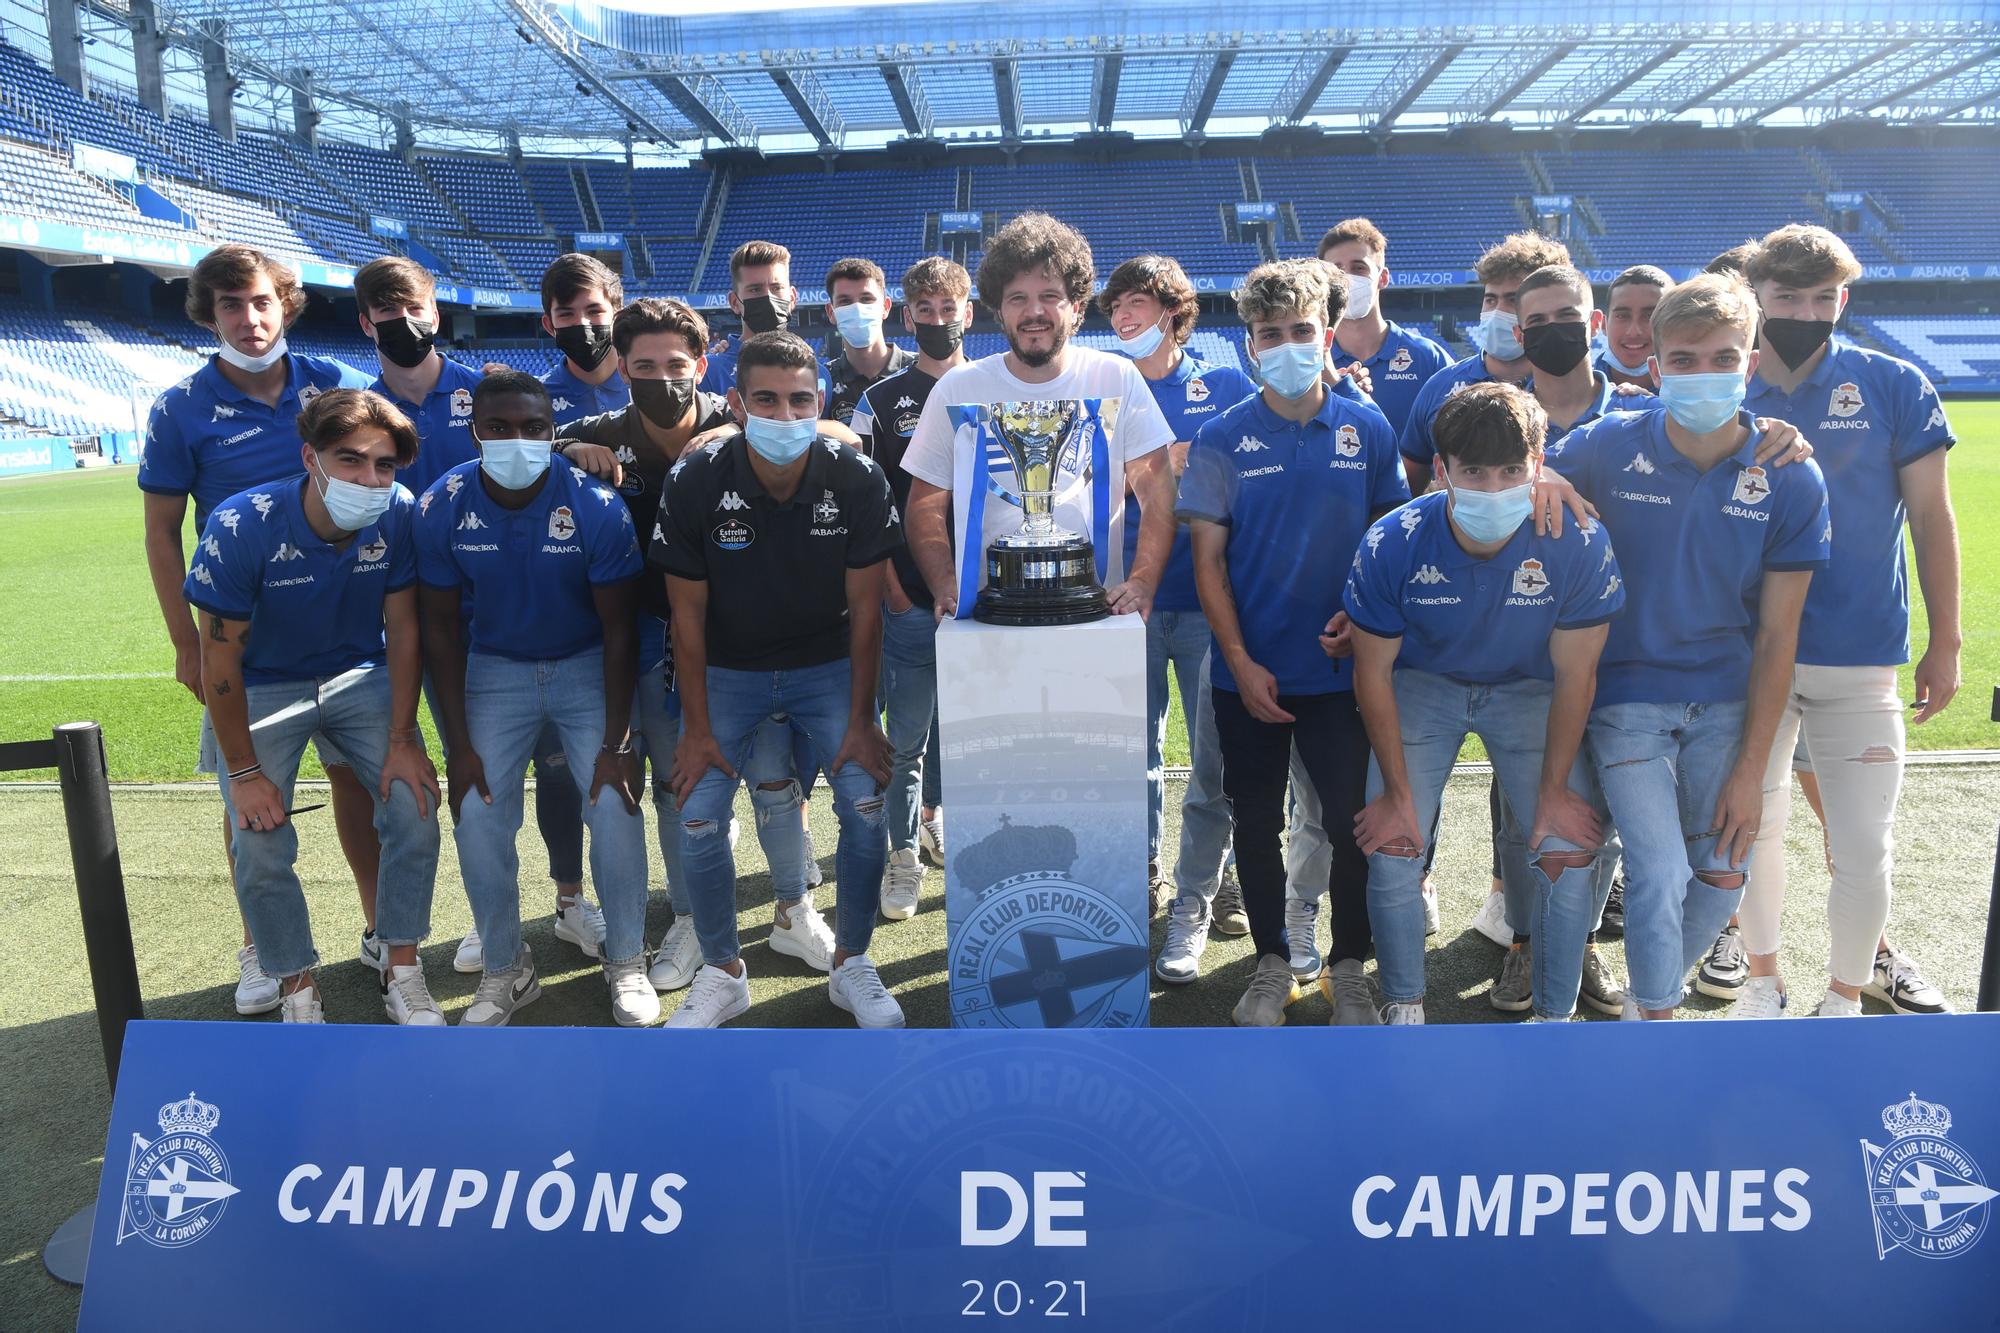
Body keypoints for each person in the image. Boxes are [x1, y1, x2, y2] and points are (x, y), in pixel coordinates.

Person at [1543, 273, 1829, 1020]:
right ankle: (1656, 1026)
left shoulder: (1792, 477)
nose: (1705, 373)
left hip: (1727, 701)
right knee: (1661, 869)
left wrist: (1752, 771)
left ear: (1753, 362)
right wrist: (1546, 480)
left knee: (1724, 869)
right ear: (1657, 367)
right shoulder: (1605, 445)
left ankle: (1648, 1004)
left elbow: (1777, 637)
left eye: (1724, 357)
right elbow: (1517, 475)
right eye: (1687, 358)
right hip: (1626, 697)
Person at [137, 243, 380, 1015]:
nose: (248, 319)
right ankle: (260, 946)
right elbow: (160, 530)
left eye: (261, 302)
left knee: (359, 785)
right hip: (244, 642)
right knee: (247, 794)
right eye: (230, 306)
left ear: (285, 304)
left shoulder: (333, 383)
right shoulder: (181, 408)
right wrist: (184, 639)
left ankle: (380, 929)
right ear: (210, 315)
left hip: (348, 631)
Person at [1729, 224, 1960, 1019]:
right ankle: (1763, 979)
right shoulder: (1723, 384)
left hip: (1860, 655)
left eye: (1823, 297)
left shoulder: (1894, 382)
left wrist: (1946, 639)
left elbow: (1932, 519)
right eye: (1787, 296)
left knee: (1864, 844)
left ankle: (1842, 995)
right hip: (1747, 657)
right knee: (1751, 829)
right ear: (1754, 297)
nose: (1805, 311)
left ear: (1845, 299)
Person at [1176, 257, 1411, 1027]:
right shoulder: (1219, 436)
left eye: (1300, 330)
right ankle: (1272, 962)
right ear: (1248, 344)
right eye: (1268, 333)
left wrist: (1360, 613)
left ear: (1328, 334)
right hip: (1250, 676)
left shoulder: (1367, 428)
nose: (1285, 344)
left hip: (1342, 676)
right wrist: (1240, 662)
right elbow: (1208, 563)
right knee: (1255, 822)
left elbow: (1388, 542)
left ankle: (1348, 968)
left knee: (1350, 823)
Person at [1345, 382, 1622, 1023]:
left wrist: (1553, 792)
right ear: (1441, 470)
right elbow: (1374, 673)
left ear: (1539, 464)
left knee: (1562, 845)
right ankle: (1405, 1004)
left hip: (1530, 690)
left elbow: (1576, 676)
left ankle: (1555, 1016)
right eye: (1473, 470)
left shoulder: (1577, 540)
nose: (1493, 488)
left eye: (1511, 470)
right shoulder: (1393, 542)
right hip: (1425, 684)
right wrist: (1394, 794)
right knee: (1394, 841)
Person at [654, 331, 905, 1029]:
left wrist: (861, 718)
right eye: (765, 398)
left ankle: (851, 961)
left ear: (818, 402)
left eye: (800, 400)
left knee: (863, 802)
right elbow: (687, 612)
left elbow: (866, 608)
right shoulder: (697, 477)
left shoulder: (855, 475)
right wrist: (697, 727)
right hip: (730, 669)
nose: (785, 413)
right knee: (697, 812)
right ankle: (724, 971)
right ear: (735, 403)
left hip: (826, 665)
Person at [183, 389, 441, 1024]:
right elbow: (219, 658)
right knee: (259, 834)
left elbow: (404, 629)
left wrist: (406, 737)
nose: (369, 478)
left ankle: (400, 965)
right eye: (349, 460)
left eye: (384, 465)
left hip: (360, 673)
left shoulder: (398, 510)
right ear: (310, 456)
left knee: (413, 803)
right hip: (263, 681)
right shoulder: (243, 525)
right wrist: (243, 774)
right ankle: (297, 986)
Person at [559, 297, 791, 996]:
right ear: (622, 368)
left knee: (734, 779)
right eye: (645, 365)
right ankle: (663, 924)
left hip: (726, 633)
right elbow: (514, 446)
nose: (663, 377)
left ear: (703, 364)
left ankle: (746, 909)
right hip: (631, 633)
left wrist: (733, 438)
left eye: (677, 364)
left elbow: (833, 433)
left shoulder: (734, 423)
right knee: (648, 780)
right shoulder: (599, 428)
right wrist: (569, 449)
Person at [416, 371, 657, 1028]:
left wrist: (617, 741)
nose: (516, 440)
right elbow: (437, 627)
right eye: (499, 428)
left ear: (554, 433)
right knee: (476, 811)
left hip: (585, 664)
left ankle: (628, 960)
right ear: (475, 431)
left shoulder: (595, 506)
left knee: (614, 804)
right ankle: (504, 967)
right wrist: (458, 745)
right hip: (493, 670)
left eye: (532, 428)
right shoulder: (443, 503)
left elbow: (618, 630)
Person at [1096, 253, 1257, 978]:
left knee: (1217, 759)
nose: (1125, 317)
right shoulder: (1101, 385)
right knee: (1133, 754)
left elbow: (1251, 474)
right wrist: (1163, 463)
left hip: (1207, 599)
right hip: (1129, 596)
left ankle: (1213, 876)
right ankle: (1145, 871)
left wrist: (1191, 460)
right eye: (1116, 307)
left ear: (1172, 309)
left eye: (1138, 303)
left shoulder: (1223, 383)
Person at [901, 212, 1177, 627]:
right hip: (988, 618)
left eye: (1050, 295)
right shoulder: (957, 389)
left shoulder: (1116, 377)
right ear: (999, 309)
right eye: (1017, 298)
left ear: (1077, 306)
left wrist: (1141, 581)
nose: (1034, 312)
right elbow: (924, 502)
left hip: (1094, 614)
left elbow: (1158, 490)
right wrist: (944, 583)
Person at [850, 256, 973, 921]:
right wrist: (895, 588)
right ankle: (902, 853)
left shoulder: (992, 388)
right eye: (923, 310)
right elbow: (868, 509)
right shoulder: (879, 401)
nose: (936, 320)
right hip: (913, 604)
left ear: (968, 313)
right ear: (907, 315)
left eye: (947, 308)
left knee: (973, 733)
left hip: (987, 603)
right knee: (908, 738)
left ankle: (940, 821)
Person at [1318, 218, 1454, 439]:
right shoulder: (1312, 366)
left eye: (1358, 268)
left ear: (1383, 278)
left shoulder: (1429, 359)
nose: (1346, 279)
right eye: (1336, 270)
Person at [823, 257, 916, 427]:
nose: (857, 308)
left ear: (886, 307)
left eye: (866, 299)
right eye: (845, 301)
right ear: (831, 312)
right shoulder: (822, 382)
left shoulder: (919, 370)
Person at [540, 252, 630, 425]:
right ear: (550, 326)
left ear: (618, 316)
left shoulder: (651, 383)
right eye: (566, 314)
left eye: (594, 311)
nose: (582, 323)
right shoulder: (532, 399)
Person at [1596, 265, 1674, 389]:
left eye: (1650, 316)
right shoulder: (1577, 392)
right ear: (1604, 325)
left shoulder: (1691, 398)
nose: (1633, 332)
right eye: (1622, 316)